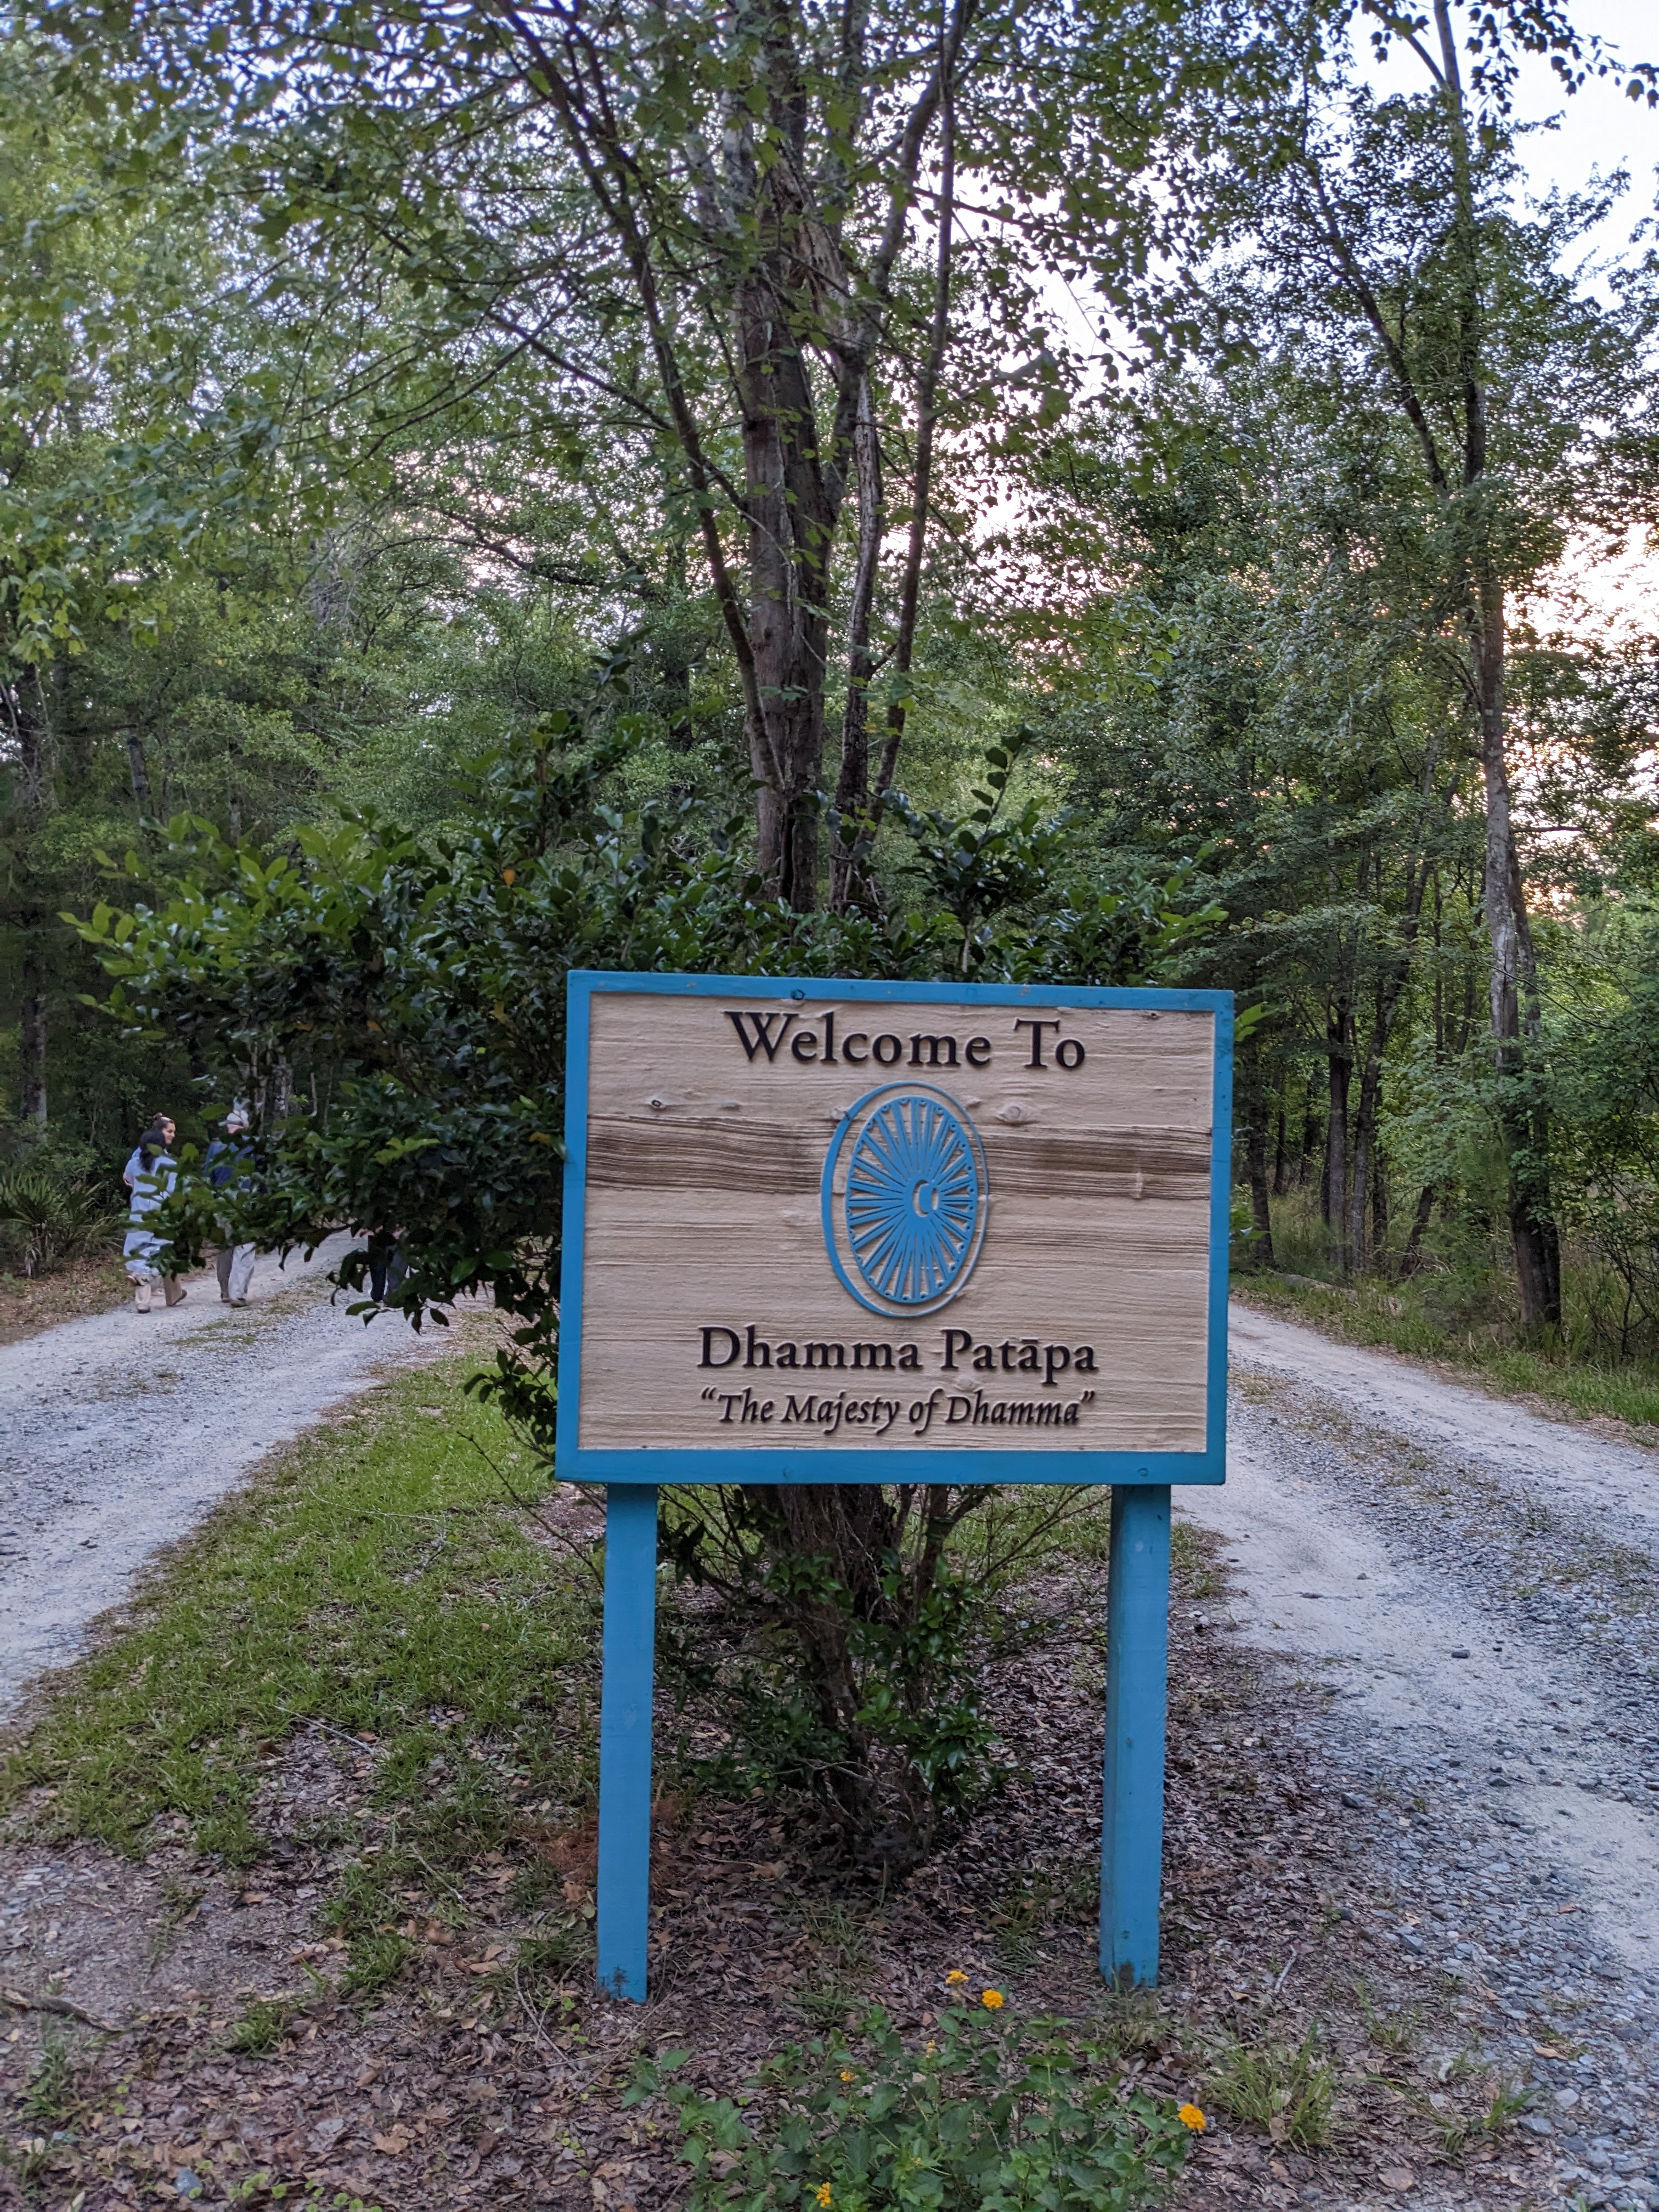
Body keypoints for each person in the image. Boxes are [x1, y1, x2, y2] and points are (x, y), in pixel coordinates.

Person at [123, 1115, 185, 1312]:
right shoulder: (169, 1164)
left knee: (140, 1253)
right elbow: (174, 1191)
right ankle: (147, 1277)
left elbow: (127, 1179)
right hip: (160, 1212)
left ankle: (143, 1303)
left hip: (139, 1212)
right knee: (164, 1251)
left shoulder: (134, 1163)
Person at [205, 1105, 257, 1306]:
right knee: (245, 1246)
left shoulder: (215, 1147)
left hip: (221, 1202)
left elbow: (208, 1177)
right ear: (245, 1126)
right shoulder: (251, 1146)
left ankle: (225, 1291)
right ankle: (238, 1293)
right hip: (244, 1202)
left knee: (225, 1248)